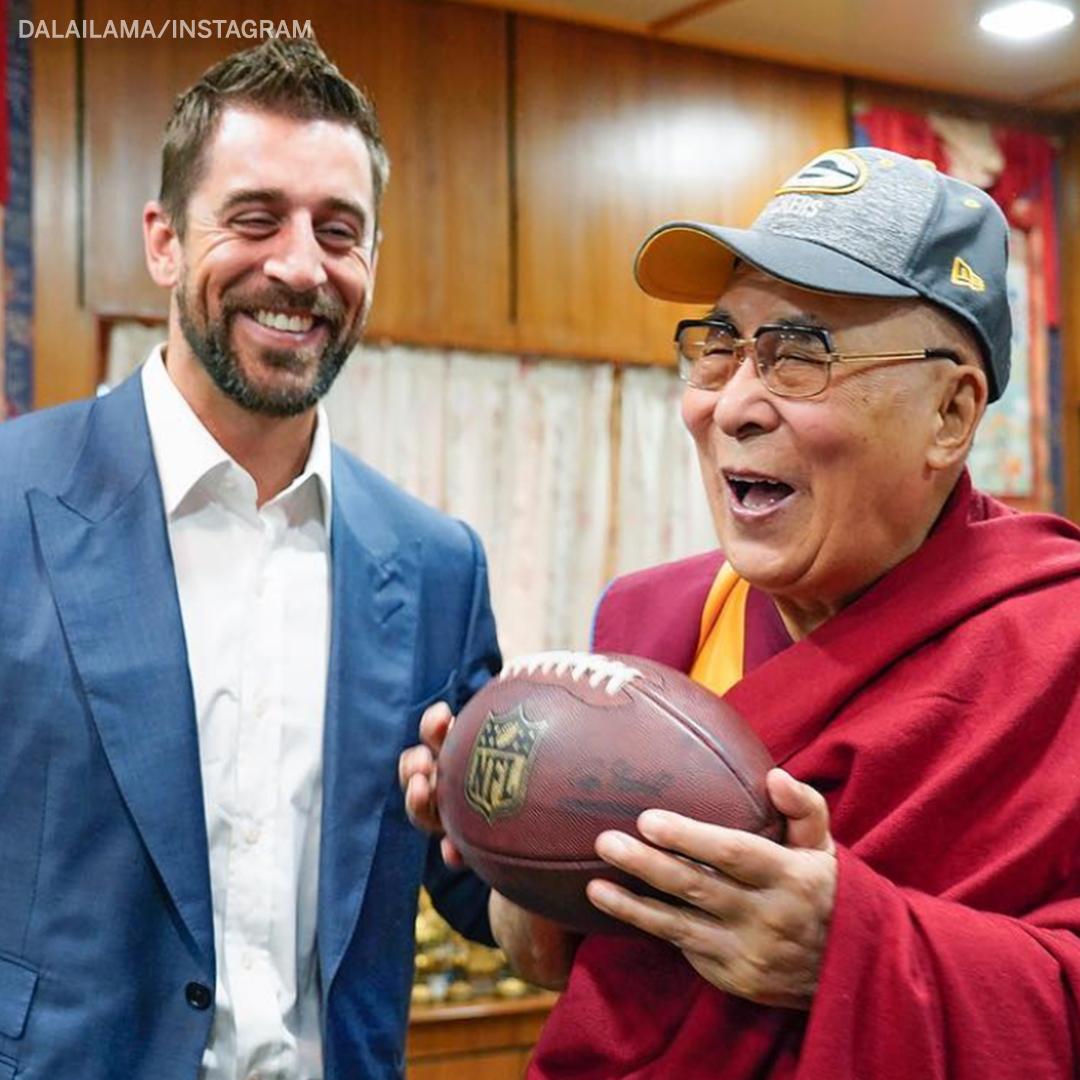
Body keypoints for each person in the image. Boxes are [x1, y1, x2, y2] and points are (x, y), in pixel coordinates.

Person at [401, 147, 1080, 1078]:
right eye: (718, 347)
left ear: (951, 416)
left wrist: (853, 952)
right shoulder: (647, 624)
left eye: (800, 354)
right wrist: (496, 832)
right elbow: (569, 962)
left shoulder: (1055, 644)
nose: (732, 405)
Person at [0, 37, 498, 1080]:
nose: (300, 268)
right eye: (255, 218)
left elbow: (486, 893)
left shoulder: (437, 564)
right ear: (165, 241)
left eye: (339, 230)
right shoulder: (11, 503)